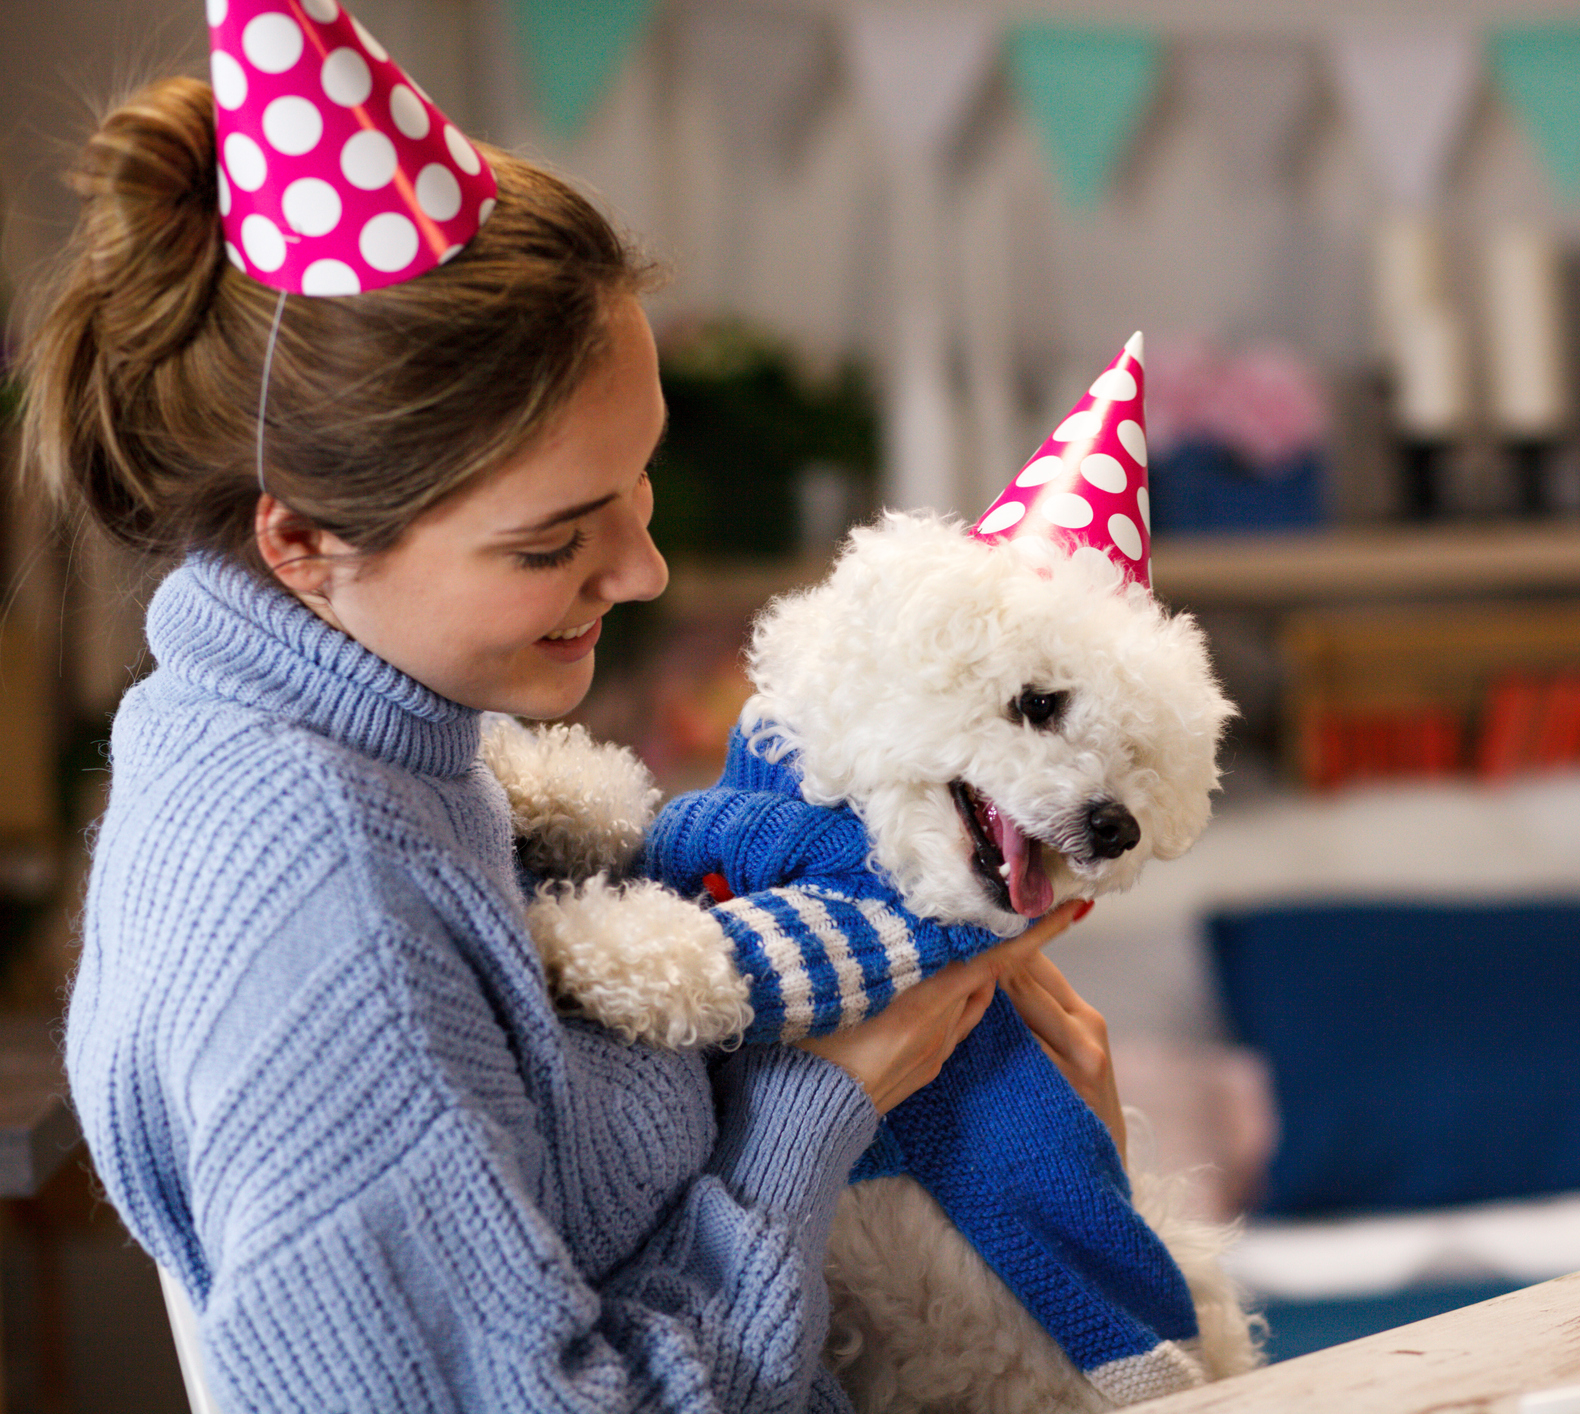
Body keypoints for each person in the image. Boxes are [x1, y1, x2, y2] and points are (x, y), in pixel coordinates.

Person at [24, 59, 1119, 1411]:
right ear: (302, 541)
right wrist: (818, 1098)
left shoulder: (342, 744)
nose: (647, 570)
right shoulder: (326, 910)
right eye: (552, 540)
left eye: (637, 481)